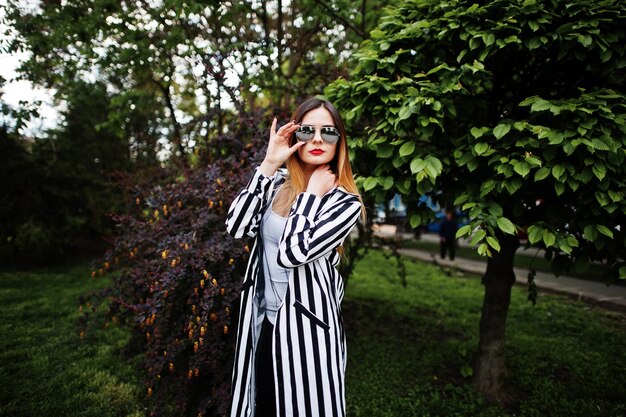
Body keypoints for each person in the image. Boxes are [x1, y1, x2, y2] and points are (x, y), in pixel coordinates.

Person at [225, 97, 365, 417]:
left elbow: (293, 253)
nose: (317, 139)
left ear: (339, 142)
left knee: (303, 407)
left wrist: (312, 197)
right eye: (307, 131)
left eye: (328, 132)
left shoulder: (344, 203)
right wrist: (269, 164)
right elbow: (236, 226)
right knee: (263, 406)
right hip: (267, 324)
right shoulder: (278, 184)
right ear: (295, 137)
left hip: (307, 336)